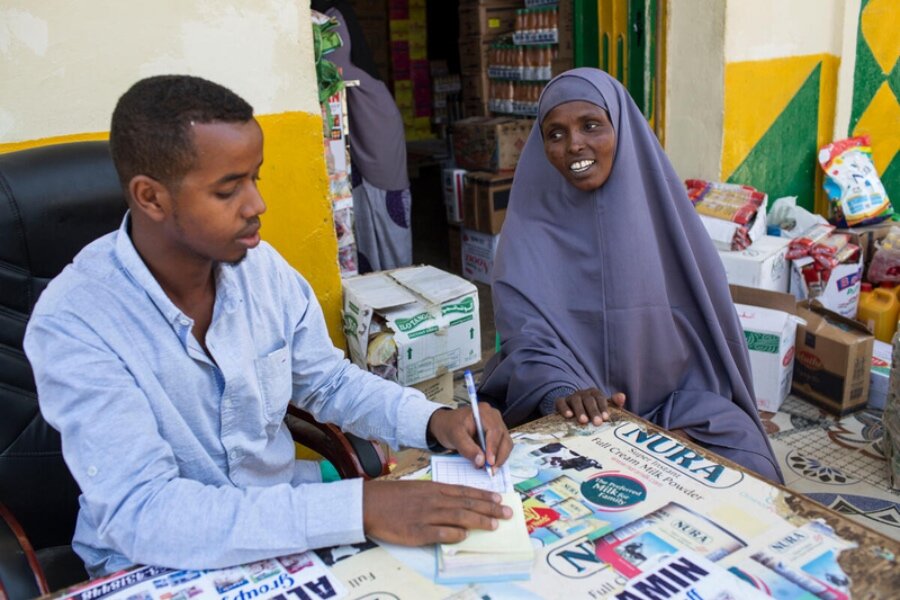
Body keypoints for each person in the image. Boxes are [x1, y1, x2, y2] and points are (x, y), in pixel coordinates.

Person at [23, 75, 513, 577]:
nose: (257, 204)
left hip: (282, 530)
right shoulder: (76, 321)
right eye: (228, 189)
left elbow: (327, 381)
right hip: (152, 563)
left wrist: (433, 420)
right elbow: (143, 513)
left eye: (254, 177)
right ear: (151, 198)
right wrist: (358, 509)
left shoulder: (262, 270)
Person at [478, 68, 782, 483]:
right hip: (580, 411)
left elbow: (706, 341)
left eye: (591, 126)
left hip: (677, 404)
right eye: (556, 134)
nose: (575, 145)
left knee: (751, 462)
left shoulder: (667, 217)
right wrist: (561, 392)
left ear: (621, 128)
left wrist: (669, 434)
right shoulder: (529, 225)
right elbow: (526, 339)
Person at [311, 0, 412, 273]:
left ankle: (401, 279)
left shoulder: (333, 15)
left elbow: (332, 62)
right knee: (359, 208)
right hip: (352, 126)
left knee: (388, 204)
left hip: (374, 123)